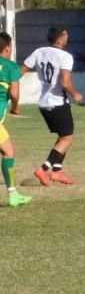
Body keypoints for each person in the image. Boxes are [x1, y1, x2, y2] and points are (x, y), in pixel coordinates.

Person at [21, 26, 84, 186]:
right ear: (60, 38)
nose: (68, 36)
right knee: (67, 138)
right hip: (58, 103)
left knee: (63, 136)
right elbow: (65, 82)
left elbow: (21, 70)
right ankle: (43, 169)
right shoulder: (65, 56)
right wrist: (75, 94)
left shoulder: (39, 52)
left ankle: (57, 171)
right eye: (66, 34)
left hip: (43, 103)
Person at [0, 32, 31, 207]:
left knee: (9, 150)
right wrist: (15, 107)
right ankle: (12, 194)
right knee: (9, 152)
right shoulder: (11, 67)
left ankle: (13, 194)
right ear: (7, 48)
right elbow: (14, 93)